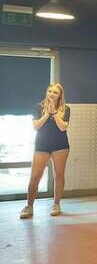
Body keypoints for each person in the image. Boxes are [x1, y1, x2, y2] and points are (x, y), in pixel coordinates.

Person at [19, 83, 70, 219]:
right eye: (50, 91)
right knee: (35, 176)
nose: (52, 94)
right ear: (46, 93)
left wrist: (55, 113)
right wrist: (47, 114)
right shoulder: (38, 107)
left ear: (60, 95)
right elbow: (36, 126)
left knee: (59, 175)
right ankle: (29, 206)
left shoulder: (66, 109)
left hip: (60, 145)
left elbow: (63, 127)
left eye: (55, 92)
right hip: (42, 145)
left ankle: (56, 204)